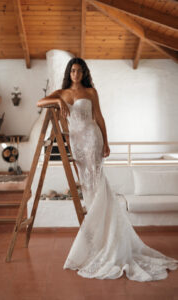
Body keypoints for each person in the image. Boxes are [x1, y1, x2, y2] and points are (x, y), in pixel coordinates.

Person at [37, 57, 178, 281]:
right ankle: (98, 236)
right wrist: (60, 102)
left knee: (96, 182)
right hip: (77, 144)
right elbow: (39, 102)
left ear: (83, 73)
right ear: (68, 72)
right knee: (87, 185)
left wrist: (107, 142)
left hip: (92, 139)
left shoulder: (91, 92)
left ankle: (103, 238)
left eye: (79, 70)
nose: (76, 74)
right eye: (72, 70)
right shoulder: (60, 93)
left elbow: (99, 117)